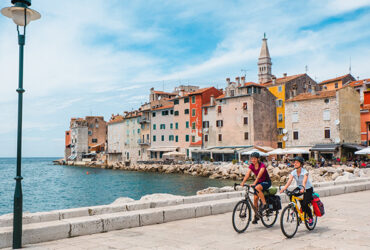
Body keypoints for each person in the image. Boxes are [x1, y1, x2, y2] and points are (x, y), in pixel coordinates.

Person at [280, 156, 314, 226]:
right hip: (299, 187)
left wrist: (303, 188)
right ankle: (294, 209)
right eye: (294, 162)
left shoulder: (305, 172)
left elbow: (304, 181)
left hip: (307, 189)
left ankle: (310, 218)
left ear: (301, 164)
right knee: (291, 194)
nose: (295, 164)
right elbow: (289, 181)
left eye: (297, 162)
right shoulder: (293, 172)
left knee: (304, 204)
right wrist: (284, 188)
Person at [240, 152, 271, 224]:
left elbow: (259, 176)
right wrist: (243, 182)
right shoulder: (251, 166)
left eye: (254, 158)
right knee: (255, 199)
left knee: (257, 187)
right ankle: (256, 215)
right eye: (252, 159)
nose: (253, 160)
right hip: (258, 183)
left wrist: (254, 183)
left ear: (258, 159)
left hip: (266, 182)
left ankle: (264, 203)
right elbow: (248, 174)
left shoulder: (262, 165)